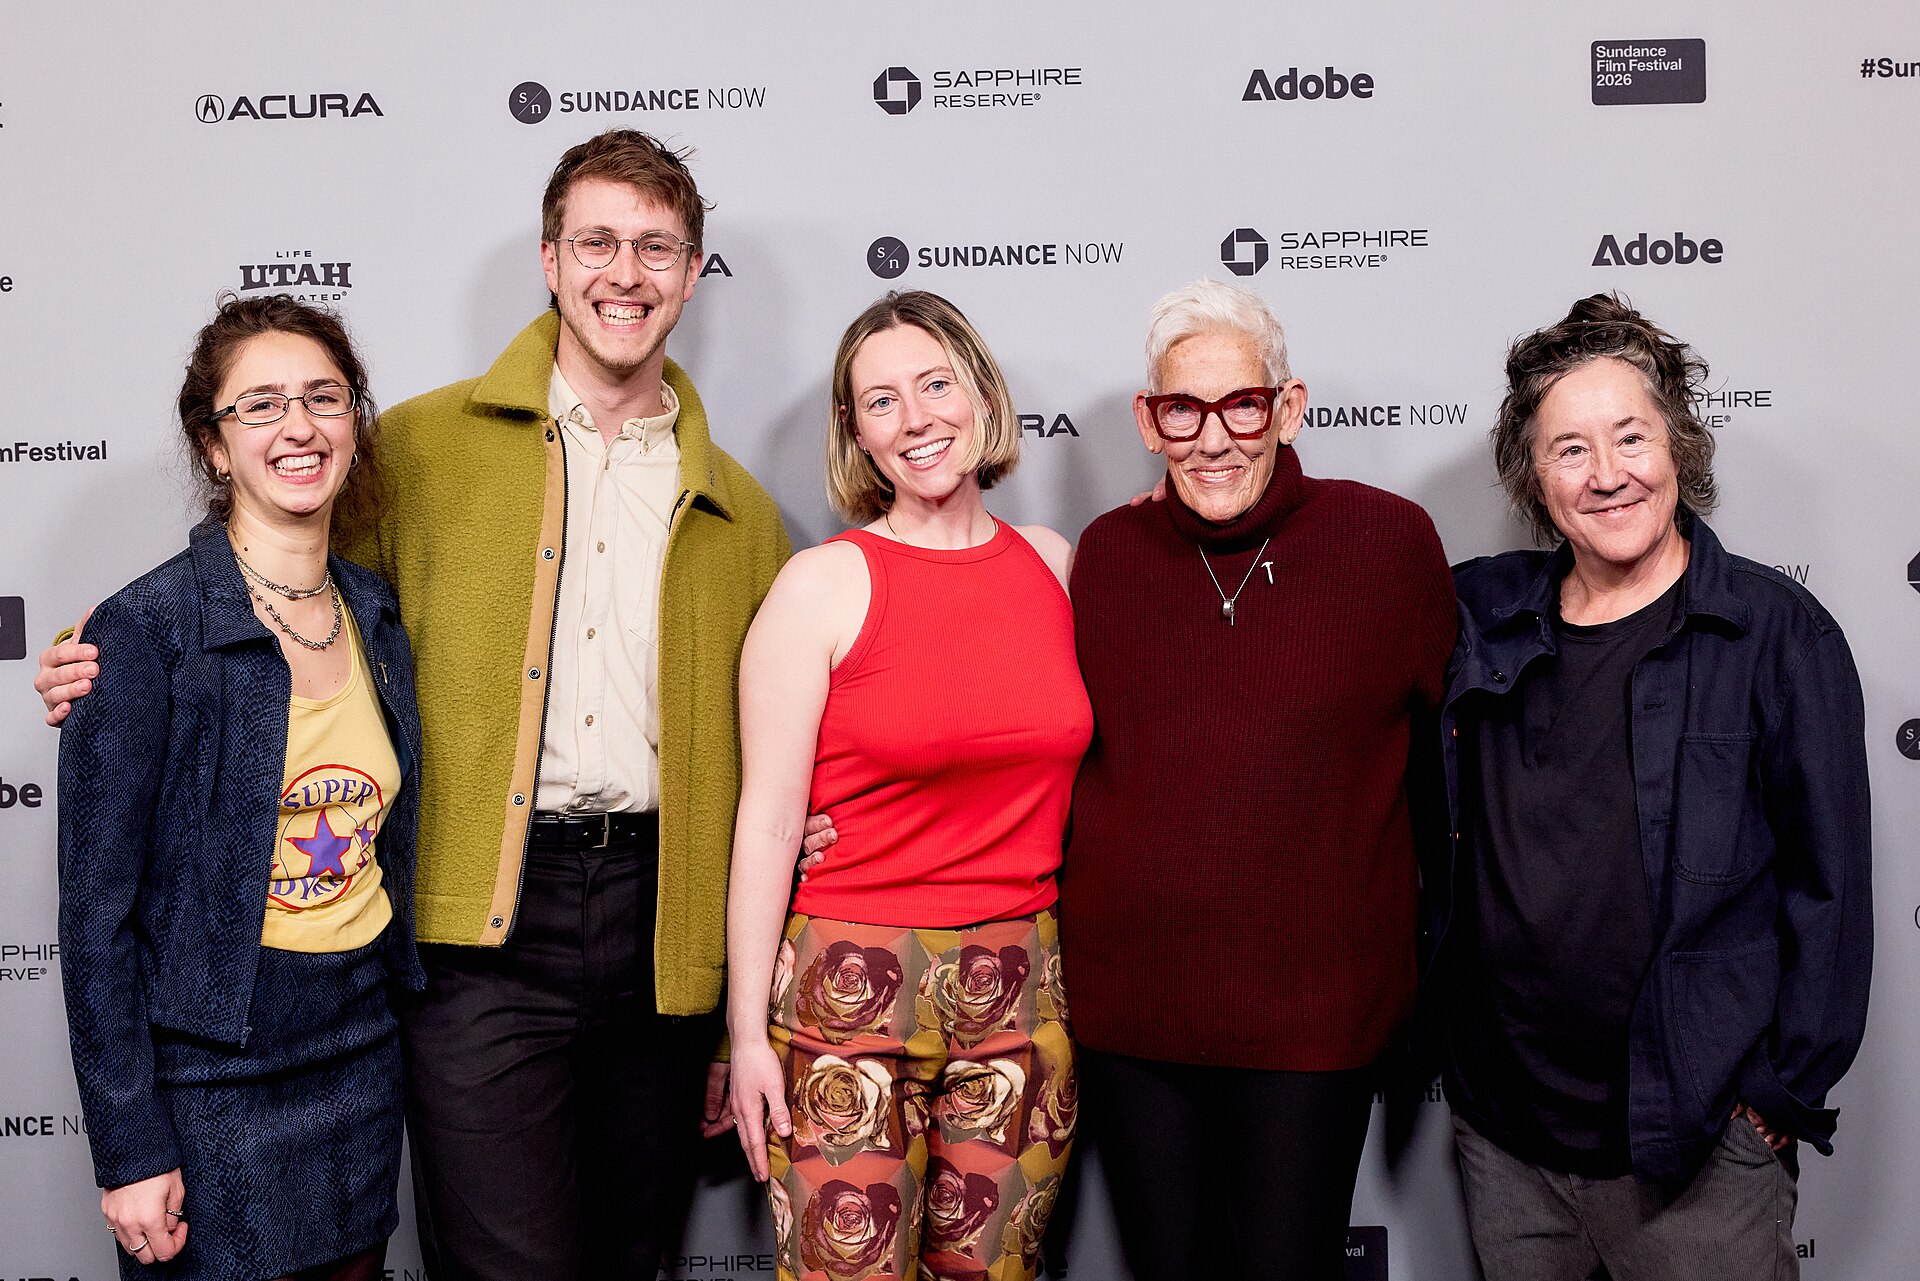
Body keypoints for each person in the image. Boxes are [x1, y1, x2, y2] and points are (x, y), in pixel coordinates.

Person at [40, 130, 792, 1280]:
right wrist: (107, 654)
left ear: (694, 275)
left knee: (633, 1254)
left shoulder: (737, 507)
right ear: (549, 258)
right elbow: (275, 562)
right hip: (476, 928)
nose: (623, 273)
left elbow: (772, 741)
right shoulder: (420, 448)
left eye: (656, 248)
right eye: (596, 240)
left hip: (656, 931)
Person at [1431, 294, 1872, 1279]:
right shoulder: (1478, 617)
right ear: (1534, 476)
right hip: (1506, 1138)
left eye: (1630, 437)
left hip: (1699, 1143)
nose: (1607, 475)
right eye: (1570, 450)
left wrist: (1770, 1103)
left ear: (1677, 446)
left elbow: (1830, 893)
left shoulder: (1776, 635)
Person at [1063, 279, 1457, 1280]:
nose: (1213, 438)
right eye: (1181, 410)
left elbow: (1451, 775)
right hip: (1133, 1012)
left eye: (1242, 403)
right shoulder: (1106, 555)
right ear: (1150, 423)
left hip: (1315, 1014)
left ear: (1289, 407)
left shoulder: (1388, 542)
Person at [58, 294, 424, 1281]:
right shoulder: (146, 631)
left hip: (358, 1050)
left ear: (353, 422)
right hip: (212, 1074)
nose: (299, 426)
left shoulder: (374, 611)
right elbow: (97, 920)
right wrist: (131, 1151)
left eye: (322, 397)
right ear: (213, 446)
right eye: (259, 405)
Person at [725, 290, 1089, 1281]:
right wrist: (747, 1035)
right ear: (857, 435)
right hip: (847, 1000)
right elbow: (765, 825)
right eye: (881, 401)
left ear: (980, 393)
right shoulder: (822, 586)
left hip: (1024, 994)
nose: (917, 416)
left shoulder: (1055, 567)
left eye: (935, 384)